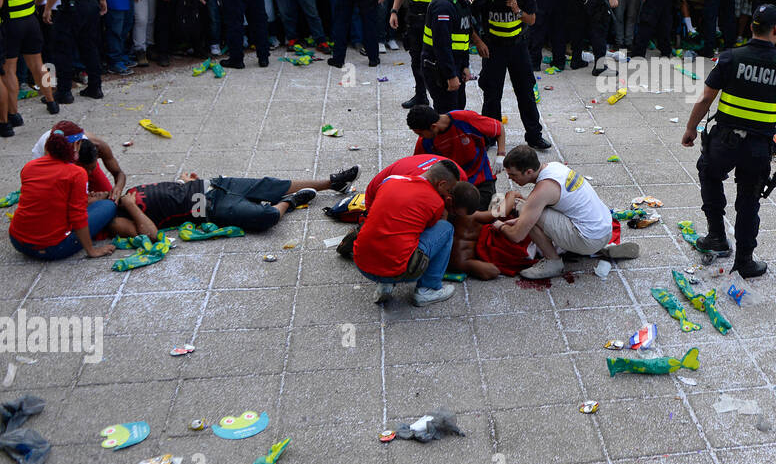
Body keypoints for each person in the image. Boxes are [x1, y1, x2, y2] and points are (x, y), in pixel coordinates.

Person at [682, 4, 776, 278]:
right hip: (758, 146)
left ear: (751, 27)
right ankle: (745, 260)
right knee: (749, 200)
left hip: (724, 141)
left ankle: (716, 237)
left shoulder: (730, 57)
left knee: (710, 174)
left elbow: (705, 98)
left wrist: (691, 128)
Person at [499, 144, 636, 280]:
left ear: (529, 172)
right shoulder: (554, 166)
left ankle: (553, 262)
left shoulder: (543, 189)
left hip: (588, 239)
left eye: (512, 174)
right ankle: (600, 248)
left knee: (523, 208)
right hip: (605, 229)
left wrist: (499, 225)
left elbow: (517, 235)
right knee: (532, 208)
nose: (510, 178)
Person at [112, 166, 358, 240]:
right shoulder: (116, 219)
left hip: (213, 185)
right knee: (267, 218)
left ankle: (332, 182)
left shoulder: (118, 192)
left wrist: (183, 182)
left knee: (273, 183)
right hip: (209, 209)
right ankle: (291, 202)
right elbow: (150, 234)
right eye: (89, 196)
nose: (92, 193)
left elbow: (165, 194)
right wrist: (132, 207)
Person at [354, 159, 462, 307]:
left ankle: (385, 285)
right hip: (397, 270)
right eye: (449, 190)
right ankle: (428, 289)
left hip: (362, 263)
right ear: (441, 184)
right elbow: (427, 228)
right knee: (446, 228)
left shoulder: (391, 180)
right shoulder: (436, 202)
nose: (448, 195)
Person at [9, 126, 116, 260]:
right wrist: (91, 251)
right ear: (76, 145)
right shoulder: (77, 173)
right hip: (51, 248)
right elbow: (78, 216)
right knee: (109, 206)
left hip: (17, 241)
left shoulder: (30, 166)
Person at [473, 0, 550, 150]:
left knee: (526, 93)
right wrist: (478, 42)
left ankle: (534, 135)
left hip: (518, 47)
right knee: (492, 94)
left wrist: (517, 10)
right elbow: (469, 19)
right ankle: (491, 135)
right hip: (493, 48)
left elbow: (531, 20)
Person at [0, 0, 58, 134]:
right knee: (38, 64)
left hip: (10, 26)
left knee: (9, 69)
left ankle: (14, 114)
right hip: (31, 22)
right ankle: (51, 102)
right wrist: (35, 4)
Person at [407, 104, 504, 210]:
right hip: (452, 185)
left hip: (480, 177)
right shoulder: (425, 142)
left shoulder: (465, 119)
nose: (420, 137)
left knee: (480, 216)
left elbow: (499, 127)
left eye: (421, 133)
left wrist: (501, 155)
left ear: (433, 126)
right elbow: (418, 167)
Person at [389, 0, 445, 108]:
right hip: (413, 19)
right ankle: (420, 95)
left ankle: (440, 98)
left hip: (433, 22)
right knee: (416, 60)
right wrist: (394, 11)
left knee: (434, 61)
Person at [422, 0, 486, 115]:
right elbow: (442, 45)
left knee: (458, 108)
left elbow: (463, 36)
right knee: (446, 114)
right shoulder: (443, 6)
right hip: (440, 68)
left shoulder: (462, 1)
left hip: (456, 64)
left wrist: (465, 66)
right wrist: (450, 75)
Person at [448, 180, 502, 280]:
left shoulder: (445, 211)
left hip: (446, 261)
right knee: (494, 271)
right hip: (464, 261)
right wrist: (511, 195)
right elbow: (501, 211)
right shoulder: (472, 216)